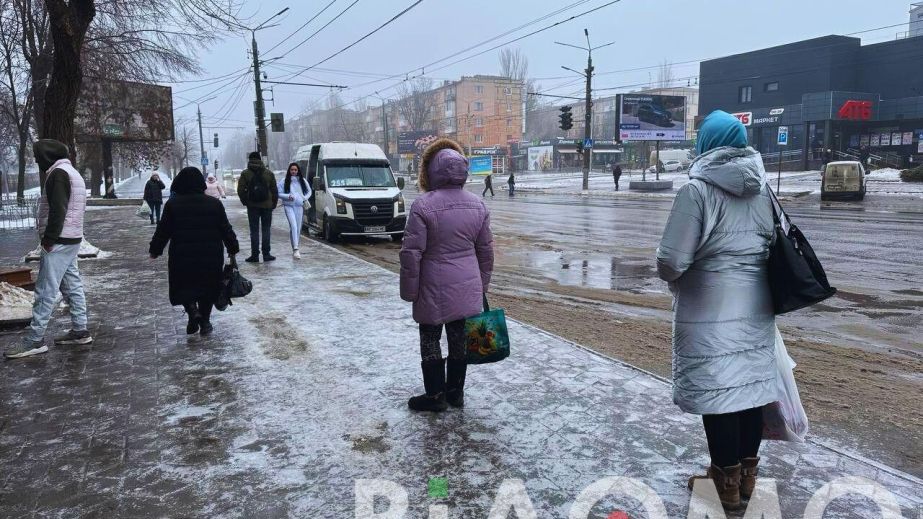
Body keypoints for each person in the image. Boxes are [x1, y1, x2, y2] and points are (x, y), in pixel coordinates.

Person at [656, 110, 778, 510]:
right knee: (749, 389)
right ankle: (745, 480)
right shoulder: (764, 190)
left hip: (709, 308)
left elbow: (671, 262)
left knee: (718, 394)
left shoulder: (696, 191)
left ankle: (723, 483)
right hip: (757, 306)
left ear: (706, 145)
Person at [400, 138, 494, 412]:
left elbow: (411, 253)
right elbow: (486, 252)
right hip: (467, 286)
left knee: (430, 338)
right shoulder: (478, 205)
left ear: (431, 171)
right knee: (459, 339)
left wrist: (409, 291)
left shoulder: (423, 205)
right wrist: (482, 285)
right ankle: (456, 392)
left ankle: (434, 396)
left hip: (432, 286)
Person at [5, 139, 92, 359]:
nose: (36, 161)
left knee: (45, 290)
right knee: (72, 285)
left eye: (37, 157)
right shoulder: (71, 172)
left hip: (59, 240)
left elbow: (59, 210)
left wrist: (49, 239)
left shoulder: (59, 174)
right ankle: (80, 330)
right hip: (71, 238)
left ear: (46, 156)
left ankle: (34, 340)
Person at [149, 167, 239, 337]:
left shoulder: (173, 205)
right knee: (208, 288)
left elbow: (163, 230)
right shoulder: (214, 204)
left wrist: (155, 250)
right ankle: (205, 322)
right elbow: (225, 228)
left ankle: (192, 312)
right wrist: (233, 247)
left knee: (185, 285)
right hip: (210, 256)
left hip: (182, 256)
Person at [236, 151, 278, 263]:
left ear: (249, 160)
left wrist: (246, 202)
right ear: (260, 160)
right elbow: (274, 190)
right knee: (266, 230)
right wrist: (273, 203)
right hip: (267, 206)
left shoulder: (245, 173)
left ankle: (255, 255)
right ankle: (266, 254)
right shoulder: (269, 173)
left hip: (252, 206)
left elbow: (240, 190)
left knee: (254, 231)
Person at [278, 162, 311, 259]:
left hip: (299, 206)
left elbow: (309, 191)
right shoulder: (284, 181)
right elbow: (279, 193)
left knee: (297, 228)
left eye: (295, 170)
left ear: (298, 171)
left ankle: (295, 247)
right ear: (289, 170)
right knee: (293, 225)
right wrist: (288, 196)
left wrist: (304, 198)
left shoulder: (302, 181)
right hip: (288, 206)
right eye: (292, 170)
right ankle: (296, 249)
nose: (293, 171)